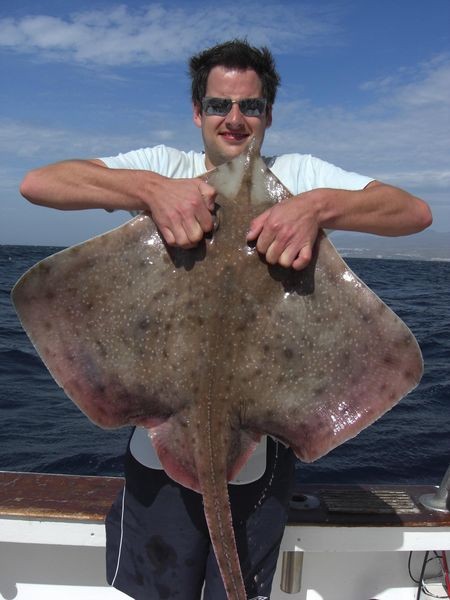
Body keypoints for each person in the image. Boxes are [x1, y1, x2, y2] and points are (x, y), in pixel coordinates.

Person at [20, 40, 432, 600]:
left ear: (268, 114)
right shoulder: (165, 166)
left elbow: (414, 212)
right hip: (156, 443)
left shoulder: (298, 173)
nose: (234, 119)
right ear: (198, 112)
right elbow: (38, 183)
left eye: (250, 106)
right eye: (219, 105)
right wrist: (150, 190)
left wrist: (317, 206)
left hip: (261, 448)